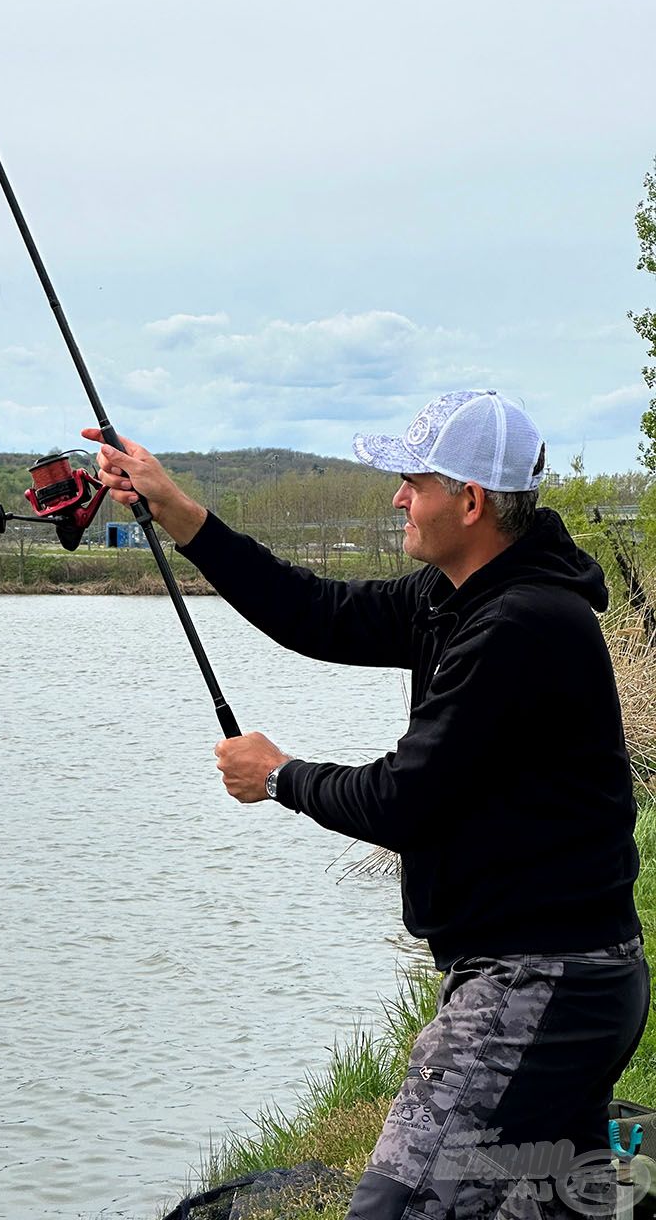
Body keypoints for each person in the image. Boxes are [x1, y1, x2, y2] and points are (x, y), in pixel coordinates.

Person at [84, 390, 648, 1219]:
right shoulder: (458, 595)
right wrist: (178, 512)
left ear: (470, 501)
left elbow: (401, 800)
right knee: (537, 1205)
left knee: (393, 1206)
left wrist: (279, 775)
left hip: (541, 982)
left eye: (411, 480)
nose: (396, 497)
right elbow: (313, 613)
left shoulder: (522, 625)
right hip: (554, 978)